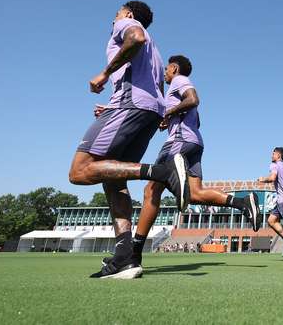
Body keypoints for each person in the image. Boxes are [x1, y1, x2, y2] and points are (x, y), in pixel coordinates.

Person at [68, 1, 189, 279]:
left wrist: (105, 73)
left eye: (116, 14)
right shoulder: (156, 53)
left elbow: (135, 37)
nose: (113, 20)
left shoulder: (128, 27)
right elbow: (155, 88)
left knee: (80, 170)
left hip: (130, 107)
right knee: (114, 180)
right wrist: (115, 108)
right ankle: (124, 257)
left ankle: (163, 172)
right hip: (145, 112)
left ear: (129, 14)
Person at [108, 54, 261, 269]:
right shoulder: (175, 89)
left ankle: (134, 254)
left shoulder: (179, 81)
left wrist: (168, 113)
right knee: (196, 194)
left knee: (151, 191)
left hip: (179, 142)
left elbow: (193, 99)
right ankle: (243, 202)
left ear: (173, 68)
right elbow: (195, 117)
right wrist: (170, 118)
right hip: (195, 143)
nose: (164, 74)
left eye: (166, 70)